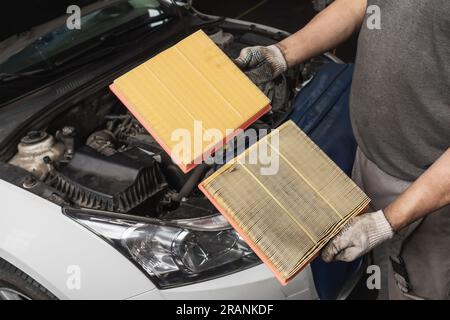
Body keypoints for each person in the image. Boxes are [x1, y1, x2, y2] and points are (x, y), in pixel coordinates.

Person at [235, 0, 449, 300]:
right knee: (377, 275)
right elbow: (358, 4)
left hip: (428, 195)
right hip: (368, 157)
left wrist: (385, 222)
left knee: (415, 289)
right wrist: (281, 55)